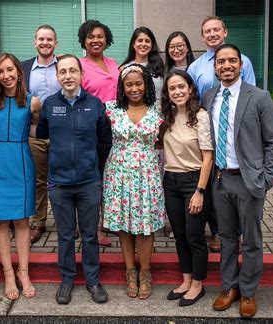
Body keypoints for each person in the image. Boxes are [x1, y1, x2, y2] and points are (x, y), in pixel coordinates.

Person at [203, 44, 273, 318]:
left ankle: (248, 291)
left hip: (249, 181)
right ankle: (229, 287)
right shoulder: (208, 97)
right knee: (226, 239)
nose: (226, 65)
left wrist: (266, 179)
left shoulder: (259, 97)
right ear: (215, 67)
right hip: (220, 180)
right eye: (221, 61)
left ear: (240, 64)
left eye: (232, 61)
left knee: (251, 240)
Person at [36, 54, 111, 305]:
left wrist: (94, 169)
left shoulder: (95, 104)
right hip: (59, 183)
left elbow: (104, 141)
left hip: (89, 181)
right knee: (66, 235)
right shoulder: (49, 105)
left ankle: (93, 280)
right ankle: (67, 280)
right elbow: (44, 134)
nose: (68, 76)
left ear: (81, 74)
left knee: (90, 235)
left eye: (72, 71)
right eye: (63, 72)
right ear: (57, 77)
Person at [188, 16, 256, 252]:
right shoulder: (196, 67)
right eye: (207, 31)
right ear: (202, 36)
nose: (212, 33)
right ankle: (219, 232)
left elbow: (251, 98)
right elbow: (193, 100)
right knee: (212, 186)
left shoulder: (242, 60)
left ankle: (239, 234)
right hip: (208, 134)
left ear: (225, 32)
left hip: (236, 139)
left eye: (216, 29)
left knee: (238, 189)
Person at [103, 64, 166, 300]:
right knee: (122, 223)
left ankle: (146, 272)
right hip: (118, 173)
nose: (134, 88)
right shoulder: (111, 109)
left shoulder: (158, 111)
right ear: (122, 86)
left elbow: (165, 140)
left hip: (146, 174)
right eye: (128, 84)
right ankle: (130, 270)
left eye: (138, 83)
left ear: (146, 84)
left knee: (145, 225)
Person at [0, 53, 41, 300]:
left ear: (19, 72)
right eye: (1, 71)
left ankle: (24, 272)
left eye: (10, 70)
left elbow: (39, 128)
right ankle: (8, 273)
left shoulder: (33, 102)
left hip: (21, 161)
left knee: (21, 221)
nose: (6, 75)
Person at [160, 70, 213, 306]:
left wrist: (200, 192)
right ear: (168, 93)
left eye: (181, 87)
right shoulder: (166, 116)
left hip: (194, 182)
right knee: (180, 236)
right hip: (170, 181)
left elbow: (208, 158)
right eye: (172, 88)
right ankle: (186, 280)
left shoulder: (200, 116)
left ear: (190, 88)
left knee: (194, 237)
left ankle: (198, 285)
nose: (177, 92)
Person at [78, 19, 120, 246]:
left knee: (108, 177)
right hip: (90, 130)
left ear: (107, 39)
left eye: (100, 36)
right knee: (92, 179)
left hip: (114, 131)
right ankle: (93, 230)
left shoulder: (113, 63)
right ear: (83, 40)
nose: (96, 40)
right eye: (91, 37)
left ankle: (106, 222)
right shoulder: (80, 65)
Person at [21, 24, 61, 244]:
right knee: (38, 180)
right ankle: (38, 221)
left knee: (63, 179)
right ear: (34, 42)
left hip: (61, 133)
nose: (45, 42)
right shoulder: (24, 68)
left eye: (49, 39)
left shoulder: (63, 65)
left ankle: (67, 222)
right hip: (35, 132)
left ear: (56, 43)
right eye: (41, 39)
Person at [119, 27, 165, 101]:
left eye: (147, 41)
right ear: (133, 44)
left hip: (159, 111)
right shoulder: (124, 68)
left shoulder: (160, 66)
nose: (143, 44)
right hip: (134, 111)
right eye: (140, 41)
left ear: (152, 45)